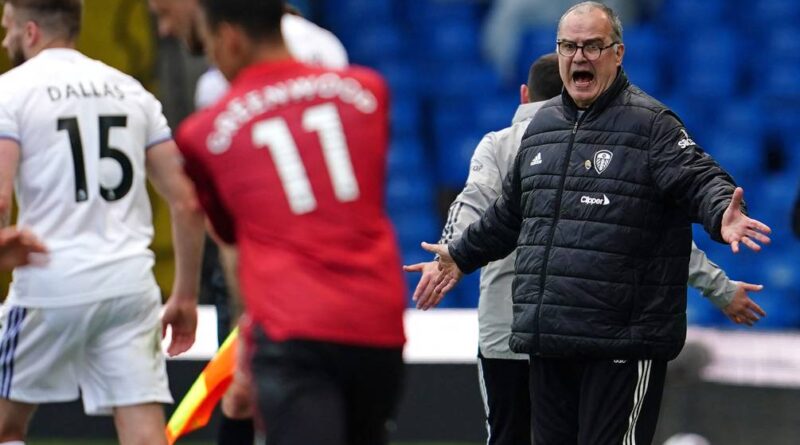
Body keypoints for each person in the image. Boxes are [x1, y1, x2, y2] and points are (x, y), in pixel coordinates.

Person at [418, 3, 771, 445]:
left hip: (620, 343)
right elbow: (508, 215)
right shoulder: (543, 127)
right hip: (550, 340)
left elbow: (699, 177)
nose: (579, 56)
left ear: (617, 53)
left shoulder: (652, 125)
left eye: (592, 46)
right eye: (569, 46)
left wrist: (722, 212)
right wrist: (460, 256)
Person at [175, 2, 406, 445]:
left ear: (230, 39)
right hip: (376, 322)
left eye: (209, 43)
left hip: (291, 326)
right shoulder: (368, 91)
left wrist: (243, 346)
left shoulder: (204, 134)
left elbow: (231, 239)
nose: (211, 58)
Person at [0, 1, 206, 444]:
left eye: (8, 29)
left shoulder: (10, 91)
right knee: (144, 433)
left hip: (50, 281)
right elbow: (188, 201)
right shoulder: (131, 91)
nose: (5, 39)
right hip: (129, 284)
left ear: (30, 32)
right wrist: (186, 294)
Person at [148, 1, 350, 443]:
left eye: (164, 13)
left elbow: (219, 206)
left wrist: (206, 296)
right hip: (331, 267)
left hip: (261, 268)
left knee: (245, 402)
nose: (166, 30)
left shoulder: (218, 80)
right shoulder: (328, 47)